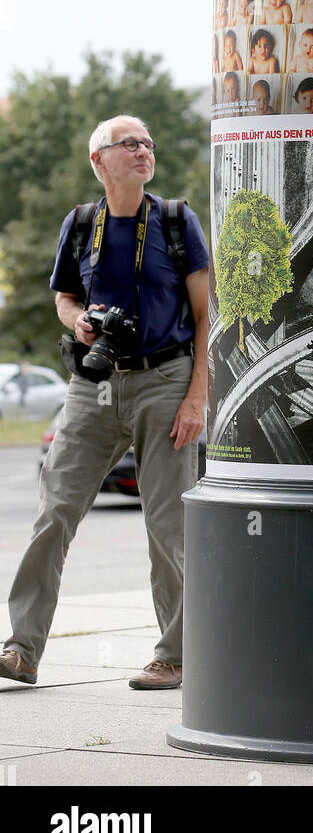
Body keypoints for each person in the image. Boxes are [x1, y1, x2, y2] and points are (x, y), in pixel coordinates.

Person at [0, 115, 209, 690]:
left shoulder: (174, 220)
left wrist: (198, 396)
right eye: (129, 144)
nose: (142, 151)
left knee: (168, 526)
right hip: (93, 383)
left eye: (147, 143)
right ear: (100, 160)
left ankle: (176, 656)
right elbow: (65, 298)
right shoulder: (80, 223)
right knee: (54, 513)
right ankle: (21, 650)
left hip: (165, 379)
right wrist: (81, 322)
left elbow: (204, 315)